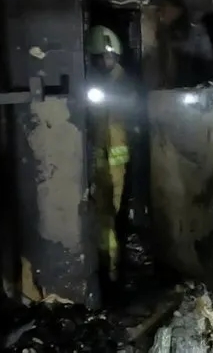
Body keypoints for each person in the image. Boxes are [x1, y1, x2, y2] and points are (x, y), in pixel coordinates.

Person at [86, 25, 130, 284]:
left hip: (112, 164)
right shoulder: (93, 82)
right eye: (101, 57)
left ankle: (109, 269)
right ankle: (106, 267)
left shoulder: (120, 83)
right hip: (100, 161)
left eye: (110, 57)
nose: (106, 61)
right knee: (102, 214)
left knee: (108, 214)